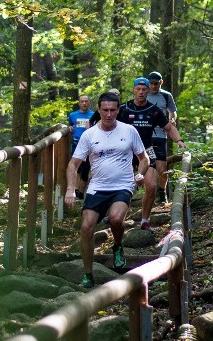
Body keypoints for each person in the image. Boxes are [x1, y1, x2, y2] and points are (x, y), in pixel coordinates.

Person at [65, 91, 149, 289]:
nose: (109, 114)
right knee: (86, 227)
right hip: (97, 187)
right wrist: (70, 189)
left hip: (123, 185)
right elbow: (73, 164)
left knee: (116, 219)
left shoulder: (129, 131)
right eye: (105, 110)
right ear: (99, 110)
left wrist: (141, 174)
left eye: (113, 110)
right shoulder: (89, 134)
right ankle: (88, 274)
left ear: (118, 110)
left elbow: (144, 158)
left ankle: (118, 246)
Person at [120, 77, 186, 231]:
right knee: (122, 185)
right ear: (134, 90)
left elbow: (169, 128)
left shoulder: (153, 110)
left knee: (150, 185)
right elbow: (106, 122)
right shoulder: (124, 108)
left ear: (148, 91)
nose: (141, 92)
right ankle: (115, 216)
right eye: (138, 89)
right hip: (126, 151)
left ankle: (144, 220)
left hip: (147, 151)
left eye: (144, 90)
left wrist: (179, 141)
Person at [146, 71, 178, 203]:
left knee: (161, 166)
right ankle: (148, 193)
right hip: (145, 135)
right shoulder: (143, 94)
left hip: (161, 134)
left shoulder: (166, 95)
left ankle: (162, 192)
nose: (153, 86)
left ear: (161, 82)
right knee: (147, 164)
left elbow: (172, 111)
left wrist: (171, 120)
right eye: (151, 84)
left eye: (156, 84)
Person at [67, 95, 95, 198]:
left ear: (88, 102)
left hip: (89, 145)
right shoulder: (73, 115)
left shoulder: (93, 115)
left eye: (86, 101)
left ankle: (81, 192)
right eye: (82, 101)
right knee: (76, 167)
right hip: (76, 143)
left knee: (85, 169)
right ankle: (76, 190)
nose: (84, 103)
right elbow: (70, 126)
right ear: (79, 103)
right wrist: (69, 129)